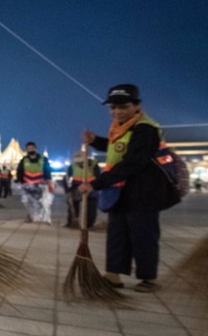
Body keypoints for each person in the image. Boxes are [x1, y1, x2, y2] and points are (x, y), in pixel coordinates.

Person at [80, 84, 174, 292]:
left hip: (143, 191)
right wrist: (96, 141)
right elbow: (116, 148)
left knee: (143, 235)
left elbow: (133, 162)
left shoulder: (145, 128)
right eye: (113, 108)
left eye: (123, 107)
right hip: (119, 191)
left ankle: (149, 278)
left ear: (136, 106)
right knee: (116, 233)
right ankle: (113, 274)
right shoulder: (121, 127)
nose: (117, 112)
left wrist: (95, 184)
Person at [17, 142, 52, 223]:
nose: (30, 150)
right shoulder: (24, 160)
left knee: (38, 201)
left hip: (39, 184)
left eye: (32, 148)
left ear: (35, 148)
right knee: (26, 201)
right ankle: (30, 215)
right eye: (28, 149)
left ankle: (38, 217)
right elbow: (20, 171)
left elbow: (47, 170)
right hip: (27, 184)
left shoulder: (43, 159)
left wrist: (47, 180)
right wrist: (20, 181)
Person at [67, 149, 102, 229]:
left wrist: (91, 186)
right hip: (77, 188)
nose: (79, 164)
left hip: (91, 188)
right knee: (74, 205)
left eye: (81, 162)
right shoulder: (72, 167)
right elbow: (66, 179)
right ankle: (75, 222)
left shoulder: (94, 165)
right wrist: (68, 191)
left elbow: (98, 178)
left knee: (91, 207)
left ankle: (89, 224)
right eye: (78, 162)